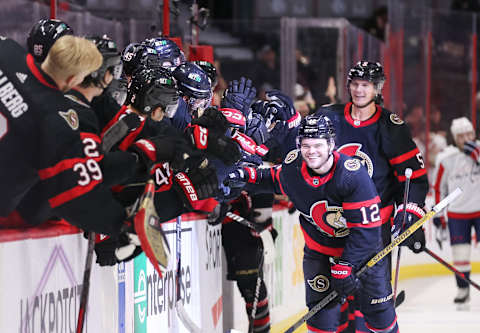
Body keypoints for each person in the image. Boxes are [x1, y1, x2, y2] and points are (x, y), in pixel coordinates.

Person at [226, 115, 399, 333]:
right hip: (319, 253)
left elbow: (367, 232)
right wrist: (243, 175)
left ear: (331, 144)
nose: (312, 151)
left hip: (363, 255)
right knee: (320, 316)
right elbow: (271, 179)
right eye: (306, 145)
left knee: (378, 313)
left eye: (318, 145)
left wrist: (346, 265)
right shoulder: (293, 167)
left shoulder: (352, 175)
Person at [0, 34, 131, 236]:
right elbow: (71, 192)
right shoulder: (57, 116)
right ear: (72, 79)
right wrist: (118, 226)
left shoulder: (7, 49)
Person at [433, 116, 480, 307]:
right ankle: (463, 290)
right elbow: (439, 189)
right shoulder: (446, 159)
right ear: (454, 138)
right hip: (457, 214)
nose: (467, 138)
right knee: (460, 256)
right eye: (461, 136)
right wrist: (438, 214)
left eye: (470, 134)